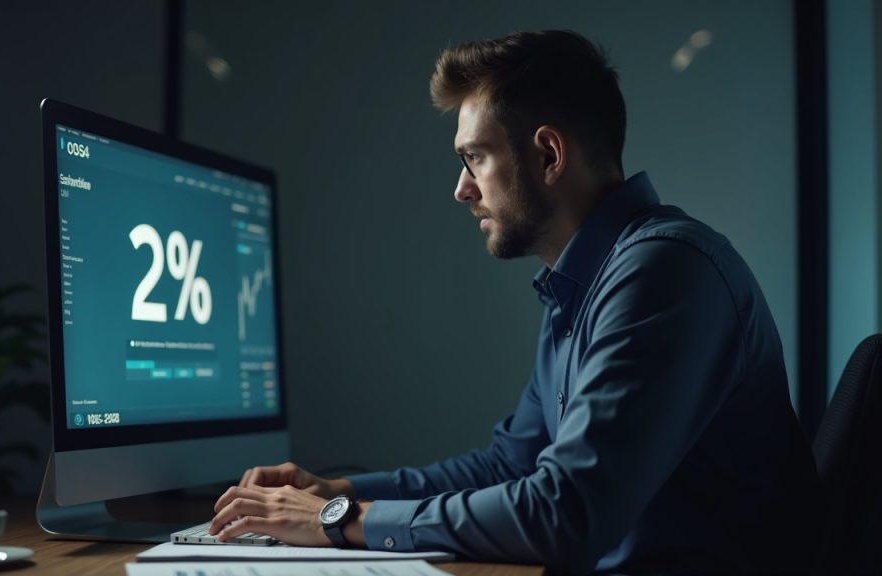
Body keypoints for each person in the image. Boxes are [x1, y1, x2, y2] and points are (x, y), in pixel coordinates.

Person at [209, 30, 822, 574]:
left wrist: (338, 520)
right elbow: (511, 464)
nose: (461, 189)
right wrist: (333, 490)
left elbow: (566, 513)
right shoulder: (581, 285)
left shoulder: (662, 273)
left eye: (474, 157)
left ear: (549, 155)